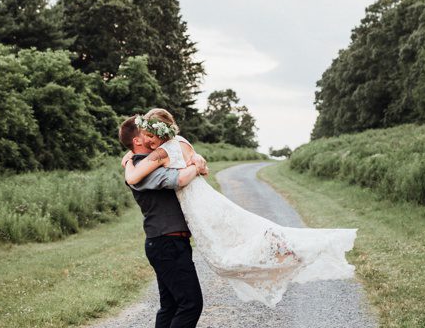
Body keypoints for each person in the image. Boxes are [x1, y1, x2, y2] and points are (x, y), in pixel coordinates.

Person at [123, 108, 357, 309]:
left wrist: (126, 162)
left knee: (226, 251)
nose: (149, 141)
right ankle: (284, 249)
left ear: (160, 133)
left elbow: (134, 177)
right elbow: (199, 163)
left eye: (150, 136)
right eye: (145, 136)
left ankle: (283, 250)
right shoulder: (182, 142)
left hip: (198, 203)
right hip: (204, 199)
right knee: (238, 230)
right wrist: (198, 164)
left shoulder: (162, 152)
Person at [118, 115, 209, 328]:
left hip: (167, 242)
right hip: (167, 243)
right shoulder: (141, 169)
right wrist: (196, 165)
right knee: (191, 303)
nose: (150, 135)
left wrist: (195, 158)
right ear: (138, 140)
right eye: (145, 132)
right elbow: (179, 180)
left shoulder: (140, 163)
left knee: (170, 307)